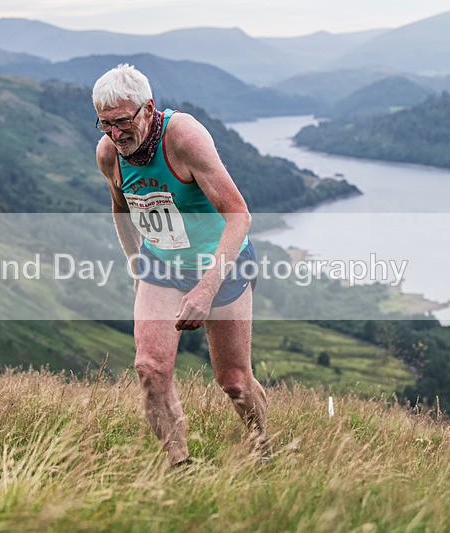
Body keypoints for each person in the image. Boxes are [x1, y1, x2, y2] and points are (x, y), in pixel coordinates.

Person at [92, 64, 269, 466]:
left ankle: (263, 451)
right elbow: (121, 209)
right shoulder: (108, 154)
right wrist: (138, 267)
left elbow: (239, 215)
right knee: (150, 370)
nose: (115, 136)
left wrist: (206, 288)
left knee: (234, 382)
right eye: (105, 125)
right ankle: (180, 467)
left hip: (224, 264)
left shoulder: (184, 138)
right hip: (162, 263)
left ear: (148, 109)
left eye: (122, 123)